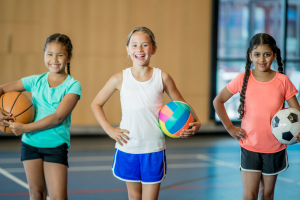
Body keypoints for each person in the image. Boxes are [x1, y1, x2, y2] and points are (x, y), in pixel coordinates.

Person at [91, 26, 201, 200]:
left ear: (153, 49)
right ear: (127, 49)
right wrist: (109, 130)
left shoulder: (162, 77)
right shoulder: (119, 78)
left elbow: (183, 105)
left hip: (153, 148)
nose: (139, 49)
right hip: (128, 147)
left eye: (144, 45)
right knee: (134, 197)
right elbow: (96, 104)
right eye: (134, 45)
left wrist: (198, 122)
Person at [213, 33, 300, 200]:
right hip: (250, 146)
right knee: (249, 195)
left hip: (274, 148)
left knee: (267, 194)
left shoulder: (283, 81)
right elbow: (218, 101)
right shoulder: (242, 79)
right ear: (250, 55)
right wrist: (230, 127)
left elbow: (297, 112)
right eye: (257, 54)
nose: (262, 59)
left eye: (267, 54)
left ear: (274, 55)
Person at [0, 33, 81, 200]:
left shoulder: (73, 85)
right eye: (50, 54)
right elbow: (1, 89)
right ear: (44, 55)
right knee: (36, 195)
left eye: (60, 55)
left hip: (55, 146)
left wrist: (24, 128)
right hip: (30, 144)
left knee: (59, 197)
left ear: (69, 58)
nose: (54, 59)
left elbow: (58, 117)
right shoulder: (35, 81)